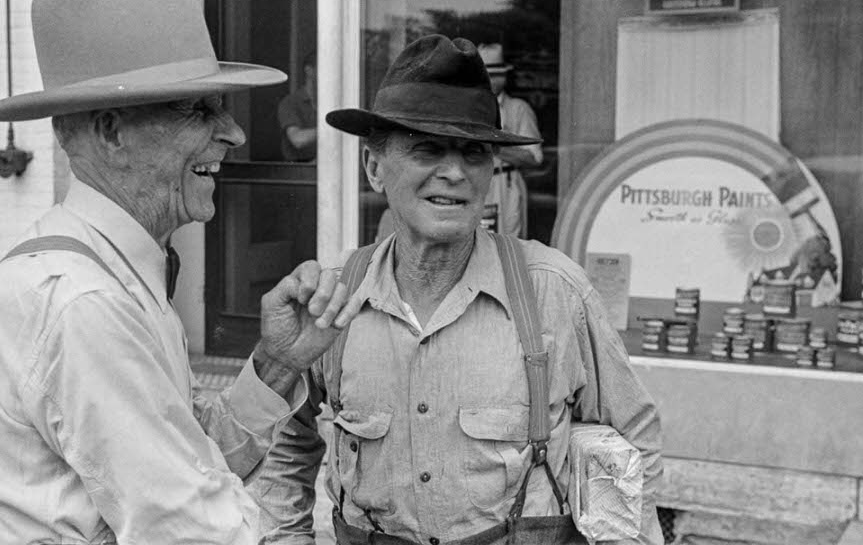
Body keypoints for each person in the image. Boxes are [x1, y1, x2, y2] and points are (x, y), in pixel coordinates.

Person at [252, 35, 664, 544]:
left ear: (491, 171)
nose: (454, 172)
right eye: (428, 149)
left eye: (473, 153)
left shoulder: (554, 292)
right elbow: (287, 446)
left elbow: (632, 441)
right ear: (374, 168)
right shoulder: (336, 300)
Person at [0, 0, 358, 544]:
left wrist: (277, 362)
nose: (235, 133)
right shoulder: (86, 303)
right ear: (112, 132)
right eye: (198, 110)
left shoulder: (108, 274)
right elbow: (191, 526)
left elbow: (188, 452)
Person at [477, 42, 543, 238]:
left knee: (508, 244)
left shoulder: (518, 108)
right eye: (487, 74)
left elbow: (534, 157)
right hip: (474, 182)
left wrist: (496, 149)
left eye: (498, 74)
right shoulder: (469, 109)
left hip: (505, 182)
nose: (493, 80)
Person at [278, 50, 318, 162]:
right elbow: (297, 140)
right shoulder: (290, 102)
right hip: (297, 172)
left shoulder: (331, 103)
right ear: (309, 70)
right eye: (325, 68)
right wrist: (330, 130)